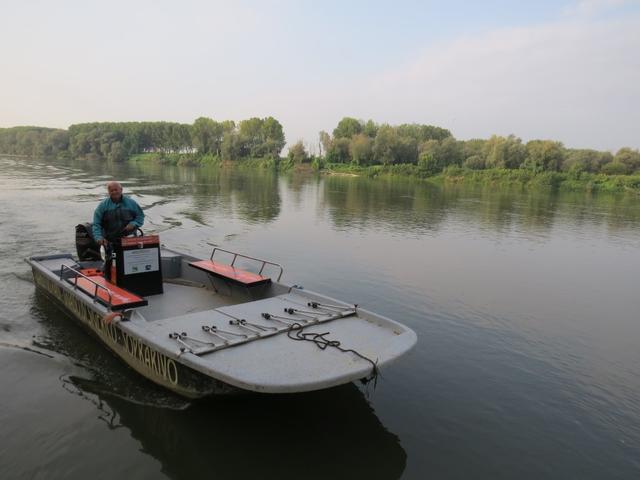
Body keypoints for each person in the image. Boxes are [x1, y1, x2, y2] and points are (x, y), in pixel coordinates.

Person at [92, 181, 144, 246]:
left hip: (130, 238)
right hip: (110, 240)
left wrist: (134, 223)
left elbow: (140, 216)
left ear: (121, 190)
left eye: (116, 190)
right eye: (111, 190)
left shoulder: (131, 203)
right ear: (108, 192)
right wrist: (98, 237)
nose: (114, 192)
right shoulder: (102, 206)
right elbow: (96, 224)